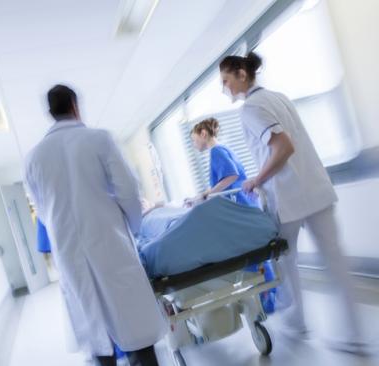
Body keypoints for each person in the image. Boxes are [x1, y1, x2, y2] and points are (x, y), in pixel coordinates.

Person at [219, 52, 368, 354]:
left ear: (241, 75)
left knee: (286, 263)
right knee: (336, 262)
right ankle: (356, 333)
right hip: (316, 190)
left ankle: (297, 321)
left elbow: (283, 146)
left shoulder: (251, 108)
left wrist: (256, 180)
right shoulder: (279, 97)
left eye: (226, 80)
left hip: (288, 199)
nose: (224, 88)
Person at [24, 84, 166, 366]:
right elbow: (127, 189)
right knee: (134, 323)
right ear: (75, 106)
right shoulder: (99, 139)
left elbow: (41, 211)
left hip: (69, 253)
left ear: (50, 113)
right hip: (110, 243)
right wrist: (135, 228)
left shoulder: (33, 158)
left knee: (95, 331)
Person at [186, 117, 258, 208]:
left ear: (203, 134)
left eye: (193, 140)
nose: (193, 145)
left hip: (240, 203)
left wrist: (209, 196)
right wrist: (203, 195)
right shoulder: (223, 149)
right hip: (246, 201)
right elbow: (222, 182)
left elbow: (231, 176)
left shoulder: (216, 151)